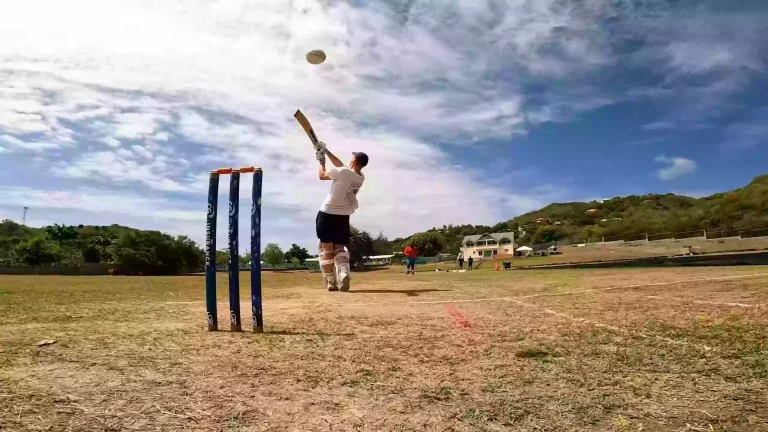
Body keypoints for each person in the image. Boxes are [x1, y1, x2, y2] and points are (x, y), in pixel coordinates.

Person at [315, 142, 368, 291]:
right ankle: (343, 272)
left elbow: (322, 175)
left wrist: (321, 161)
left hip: (327, 214)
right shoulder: (360, 177)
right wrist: (326, 151)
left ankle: (331, 281)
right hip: (343, 217)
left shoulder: (344, 172)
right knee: (339, 248)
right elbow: (342, 166)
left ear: (354, 161)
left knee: (326, 250)